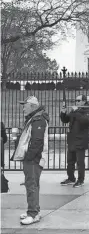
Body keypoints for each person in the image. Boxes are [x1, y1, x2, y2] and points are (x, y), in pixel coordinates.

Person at [11, 96, 49, 226]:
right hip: (33, 158)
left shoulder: (38, 120)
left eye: (25, 105)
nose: (23, 108)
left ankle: (33, 214)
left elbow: (37, 142)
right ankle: (34, 211)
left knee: (31, 186)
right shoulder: (35, 118)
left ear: (32, 106)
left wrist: (28, 157)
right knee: (32, 185)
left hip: (33, 159)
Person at [60, 94, 89, 187]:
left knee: (80, 162)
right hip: (72, 140)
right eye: (76, 100)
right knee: (70, 161)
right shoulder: (75, 111)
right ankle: (71, 178)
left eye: (78, 100)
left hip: (81, 140)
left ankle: (80, 180)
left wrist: (76, 112)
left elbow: (85, 122)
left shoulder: (86, 111)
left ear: (84, 101)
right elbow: (66, 120)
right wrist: (63, 113)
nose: (76, 102)